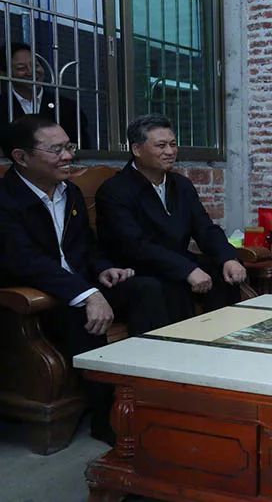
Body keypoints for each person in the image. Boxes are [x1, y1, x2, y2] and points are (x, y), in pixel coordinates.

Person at [0, 115, 170, 442]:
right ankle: (109, 423)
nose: (68, 156)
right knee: (86, 316)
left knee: (146, 288)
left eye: (69, 147)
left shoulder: (70, 192)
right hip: (38, 297)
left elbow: (87, 247)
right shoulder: (6, 200)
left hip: (78, 285)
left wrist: (103, 268)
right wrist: (88, 294)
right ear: (21, 157)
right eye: (56, 150)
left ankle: (152, 398)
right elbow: (24, 261)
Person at [95, 114, 246, 322]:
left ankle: (229, 334)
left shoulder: (181, 185)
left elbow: (205, 228)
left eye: (173, 144)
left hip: (177, 262)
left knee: (223, 273)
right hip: (137, 269)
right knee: (170, 287)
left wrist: (228, 258)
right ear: (137, 149)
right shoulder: (115, 190)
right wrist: (187, 270)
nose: (170, 152)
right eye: (161, 146)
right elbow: (134, 246)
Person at [1, 42, 90, 148]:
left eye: (36, 65)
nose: (31, 72)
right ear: (5, 74)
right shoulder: (3, 104)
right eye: (21, 68)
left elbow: (83, 148)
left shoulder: (67, 107)